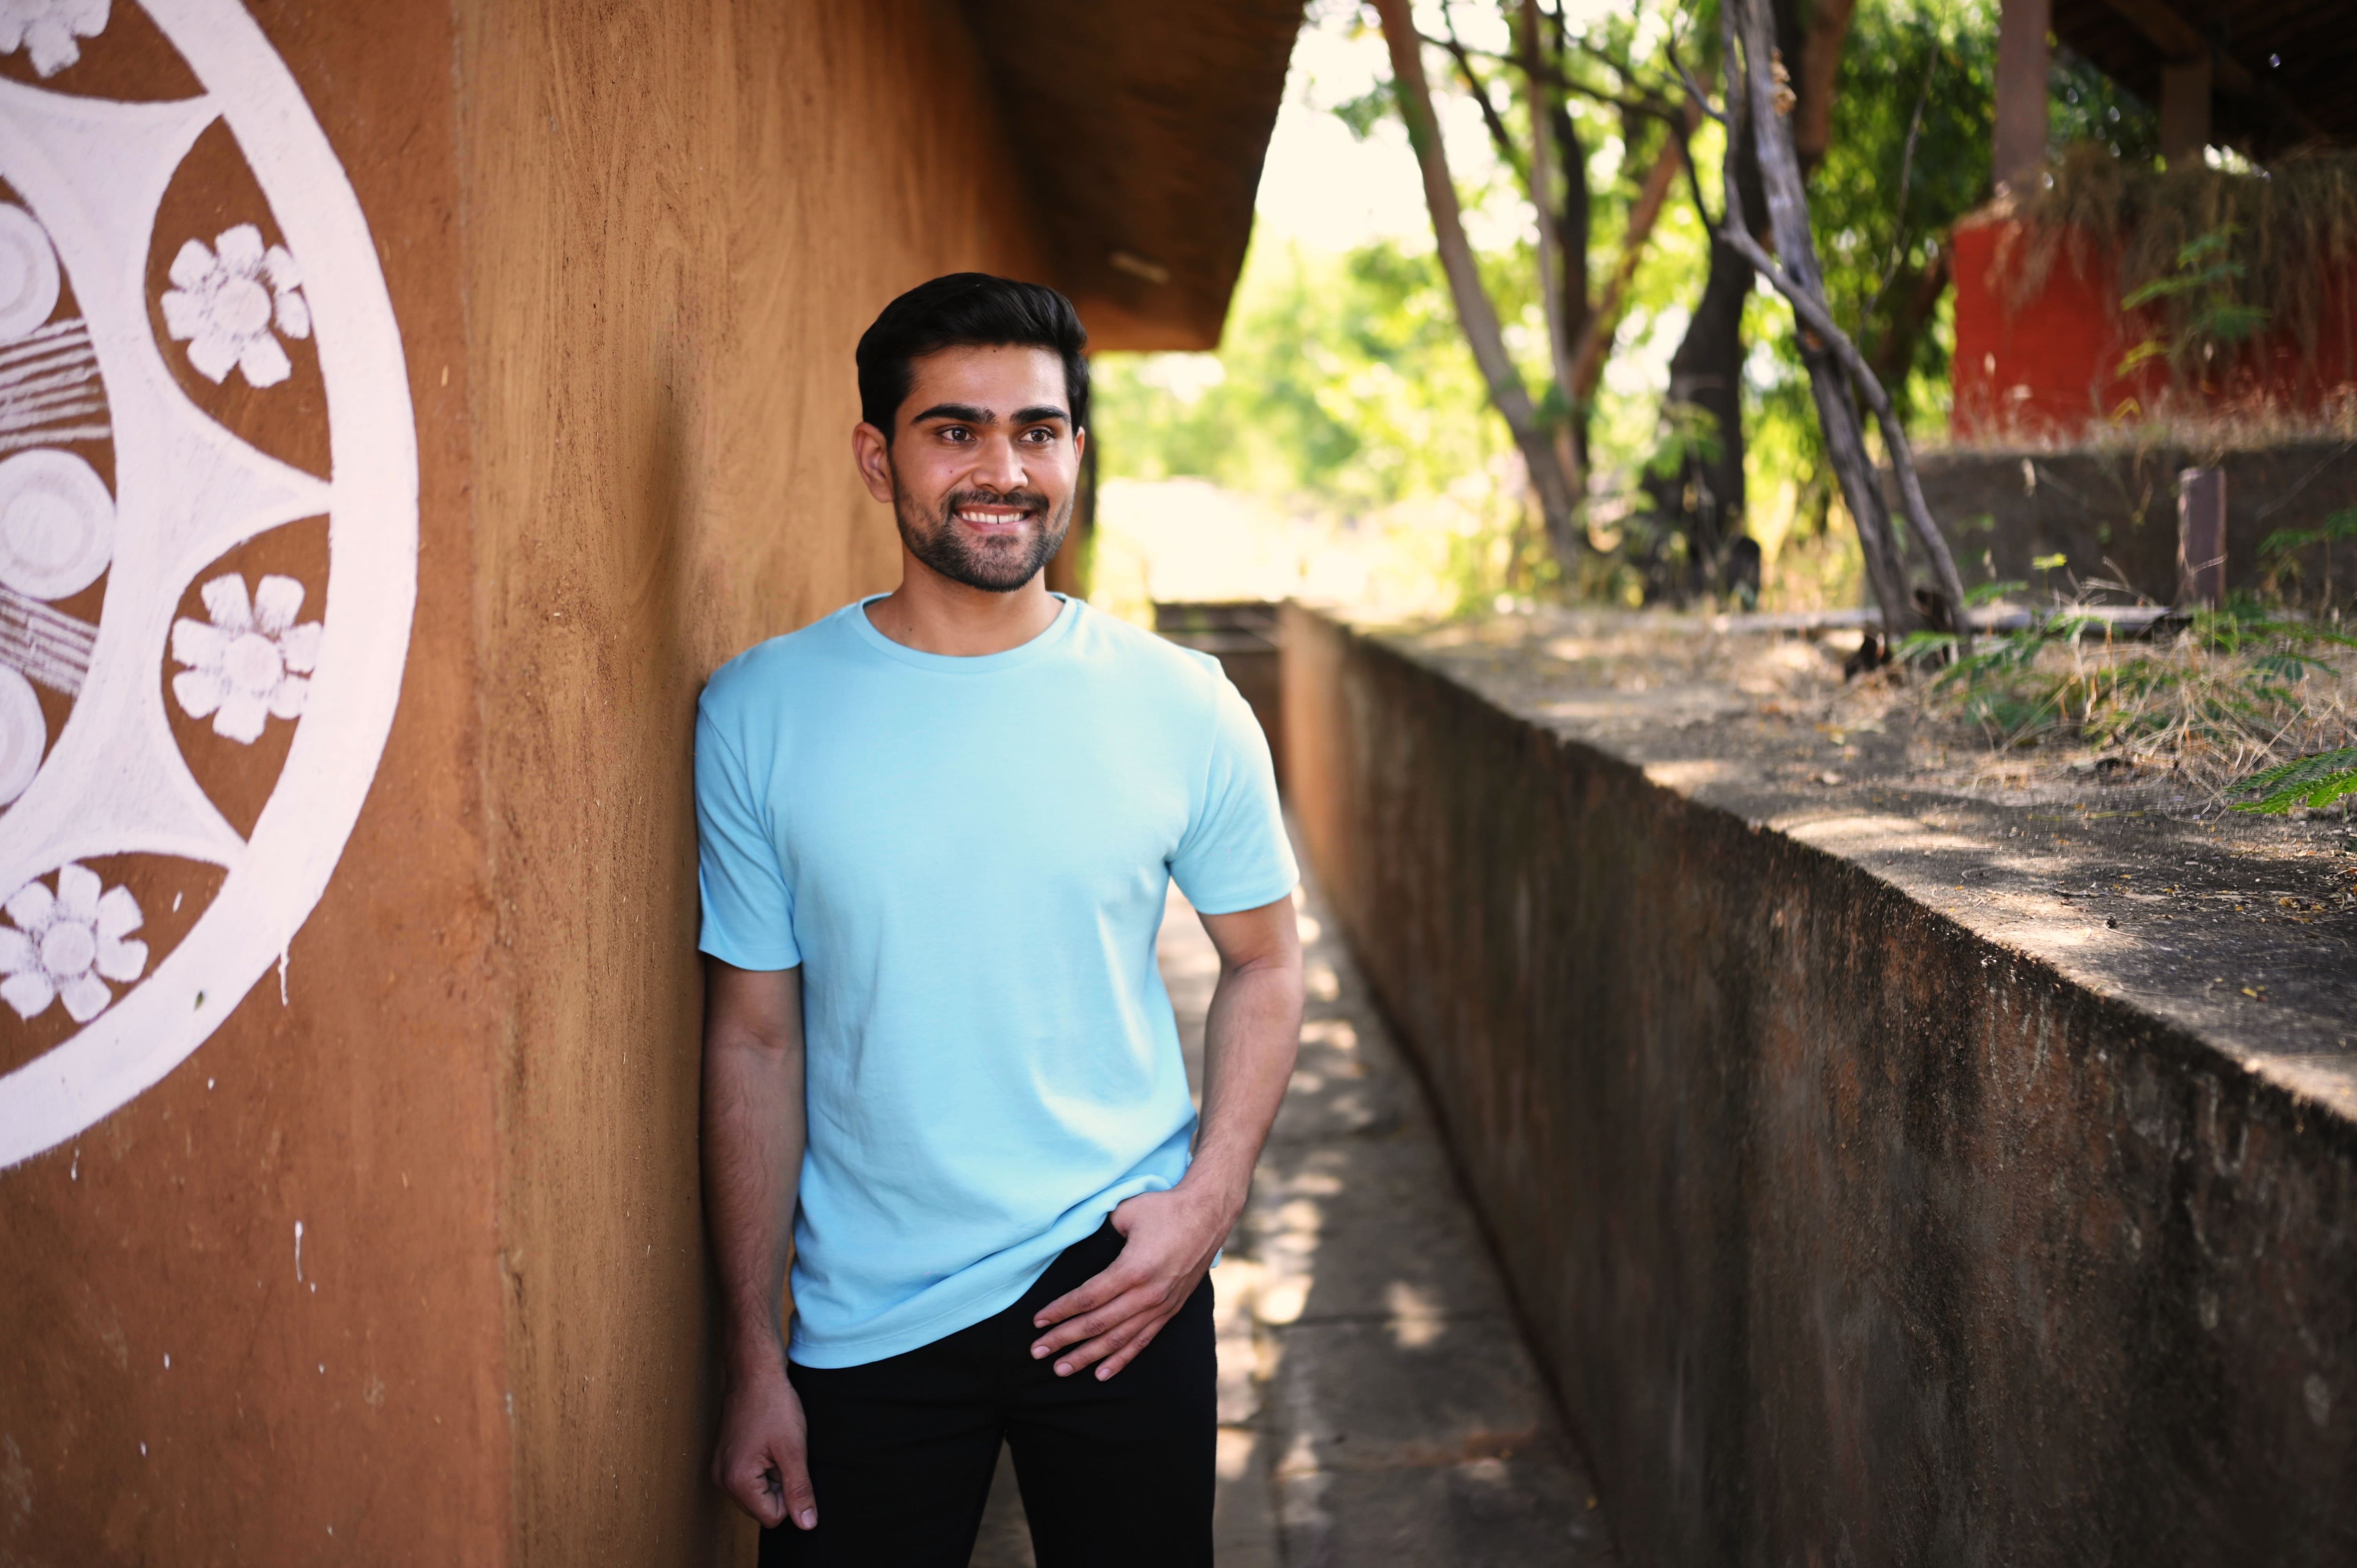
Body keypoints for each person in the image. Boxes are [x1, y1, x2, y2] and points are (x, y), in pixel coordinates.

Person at [696, 273, 1304, 1567]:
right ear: (878, 458)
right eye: (955, 430)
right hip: (862, 1313)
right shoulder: (759, 713)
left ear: (1076, 449)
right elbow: (754, 1039)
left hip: (1121, 1279)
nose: (1004, 470)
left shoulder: (1183, 705)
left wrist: (1207, 1204)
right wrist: (753, 1355)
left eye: (1037, 430)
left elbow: (1265, 962)